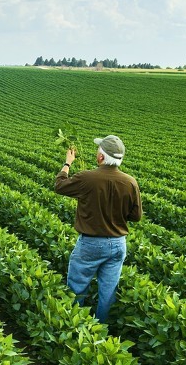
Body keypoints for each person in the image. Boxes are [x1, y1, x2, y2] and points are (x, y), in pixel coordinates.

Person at [53, 134, 142, 322]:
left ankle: (75, 326)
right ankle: (101, 329)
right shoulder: (130, 182)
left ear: (101, 157)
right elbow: (136, 216)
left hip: (91, 244)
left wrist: (67, 163)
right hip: (118, 244)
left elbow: (59, 186)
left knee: (77, 287)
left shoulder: (87, 177)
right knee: (108, 292)